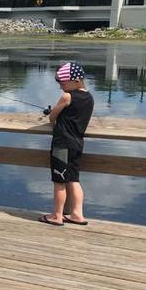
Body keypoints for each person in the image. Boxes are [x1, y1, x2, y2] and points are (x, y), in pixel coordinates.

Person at [39, 62, 94, 226]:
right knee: (74, 180)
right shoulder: (90, 98)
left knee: (59, 180)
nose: (62, 87)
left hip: (62, 144)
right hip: (77, 143)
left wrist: (53, 112)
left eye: (63, 83)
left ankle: (57, 215)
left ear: (76, 81)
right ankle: (78, 214)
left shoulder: (67, 96)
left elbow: (52, 117)